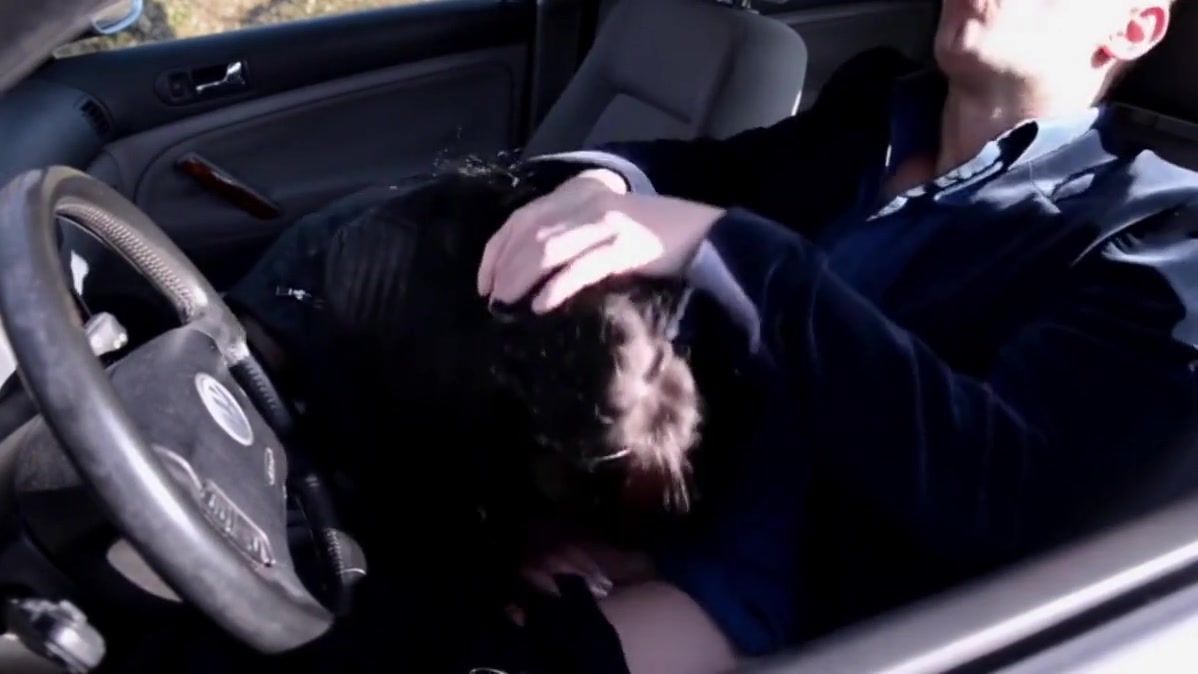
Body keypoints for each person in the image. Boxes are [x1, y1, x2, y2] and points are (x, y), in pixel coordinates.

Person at [476, 0, 1198, 671]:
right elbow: (715, 171)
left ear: (1133, 28)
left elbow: (992, 481)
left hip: (800, 608)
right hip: (634, 500)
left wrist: (733, 250)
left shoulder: (1154, 234)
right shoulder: (878, 105)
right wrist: (603, 186)